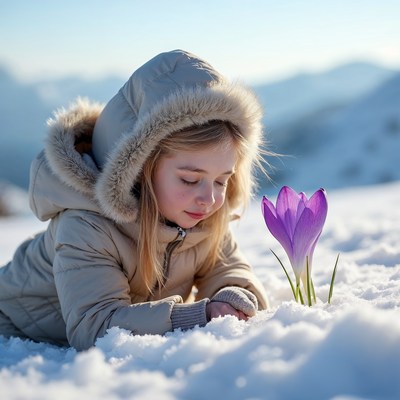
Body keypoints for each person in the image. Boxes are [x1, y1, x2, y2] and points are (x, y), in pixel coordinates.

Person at [0, 49, 269, 351]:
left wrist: (231, 296)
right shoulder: (86, 227)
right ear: (139, 170)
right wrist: (198, 315)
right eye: (190, 180)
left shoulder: (201, 215)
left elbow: (229, 270)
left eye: (222, 180)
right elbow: (96, 327)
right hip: (11, 330)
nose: (210, 198)